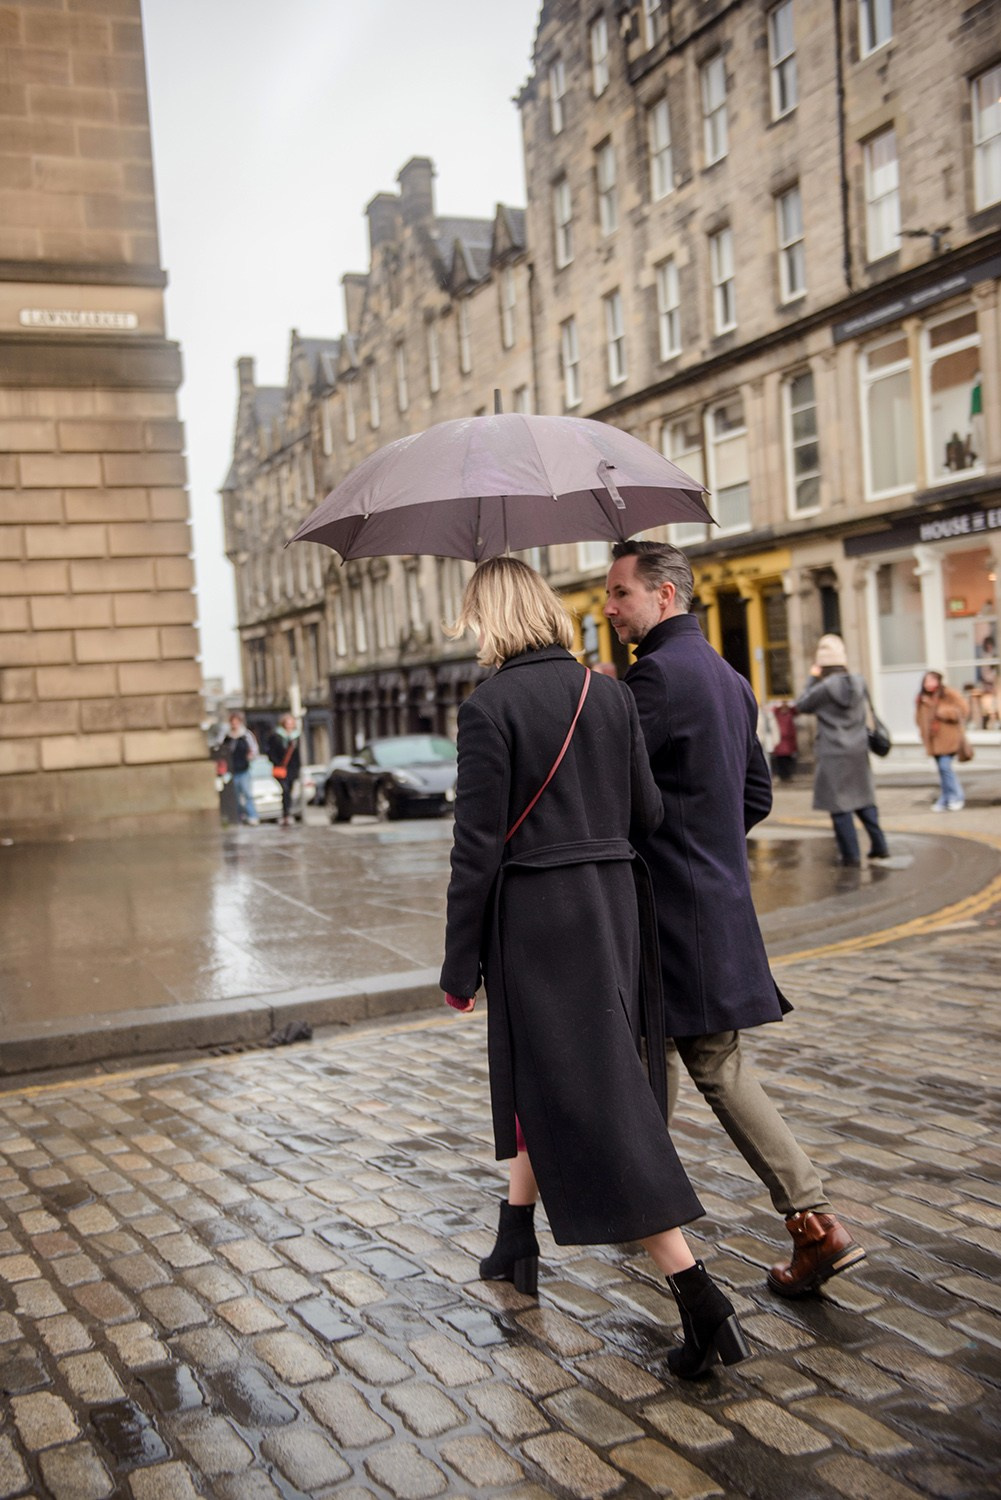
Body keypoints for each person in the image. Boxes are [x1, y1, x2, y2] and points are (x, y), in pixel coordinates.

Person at [440, 556, 749, 1379]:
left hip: (538, 926)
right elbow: (646, 811)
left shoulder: (487, 710)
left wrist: (456, 965)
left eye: (473, 617)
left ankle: (698, 1294)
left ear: (490, 620)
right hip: (614, 912)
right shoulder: (607, 693)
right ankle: (514, 1240)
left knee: (594, 1101)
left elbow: (473, 853)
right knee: (552, 1082)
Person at [603, 541, 866, 1298]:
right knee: (652, 1052)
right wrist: (704, 849)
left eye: (621, 593)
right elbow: (754, 796)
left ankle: (813, 1220)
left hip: (670, 911)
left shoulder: (652, 678)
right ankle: (643, 1202)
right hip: (712, 899)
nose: (611, 609)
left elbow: (625, 798)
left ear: (666, 595)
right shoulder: (725, 676)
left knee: (711, 1062)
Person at [795, 634, 891, 866]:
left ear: (822, 664)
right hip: (858, 749)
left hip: (832, 752)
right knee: (863, 799)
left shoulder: (824, 688)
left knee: (839, 805)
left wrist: (811, 677)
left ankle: (851, 855)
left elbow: (801, 704)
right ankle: (880, 846)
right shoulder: (859, 682)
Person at [915, 671, 969, 812]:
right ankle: (945, 799)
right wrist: (923, 734)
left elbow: (963, 710)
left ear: (938, 681)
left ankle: (956, 797)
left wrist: (940, 710)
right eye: (926, 681)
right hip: (933, 741)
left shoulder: (948, 694)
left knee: (945, 768)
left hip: (949, 738)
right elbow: (919, 719)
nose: (928, 684)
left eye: (931, 680)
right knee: (942, 770)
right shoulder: (922, 699)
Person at [220, 712, 259, 826]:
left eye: (237, 722)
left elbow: (254, 749)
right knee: (234, 796)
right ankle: (239, 816)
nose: (234, 724)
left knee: (248, 794)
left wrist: (250, 757)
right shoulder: (226, 736)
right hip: (231, 770)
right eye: (233, 722)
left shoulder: (246, 735)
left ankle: (252, 816)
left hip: (244, 769)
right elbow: (221, 749)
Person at [268, 713, 301, 826]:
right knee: (285, 789)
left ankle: (287, 812)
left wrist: (298, 768)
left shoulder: (296, 737)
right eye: (288, 723)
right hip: (280, 768)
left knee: (289, 791)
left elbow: (298, 755)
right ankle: (286, 813)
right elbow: (270, 751)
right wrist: (276, 762)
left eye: (291, 723)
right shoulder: (276, 736)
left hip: (292, 769)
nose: (289, 725)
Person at [767, 700, 798, 782]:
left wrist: (790, 704)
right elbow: (772, 710)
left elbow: (796, 710)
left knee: (788, 759)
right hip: (780, 740)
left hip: (789, 740)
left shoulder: (790, 713)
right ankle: (782, 775)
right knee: (781, 760)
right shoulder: (777, 714)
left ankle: (787, 775)